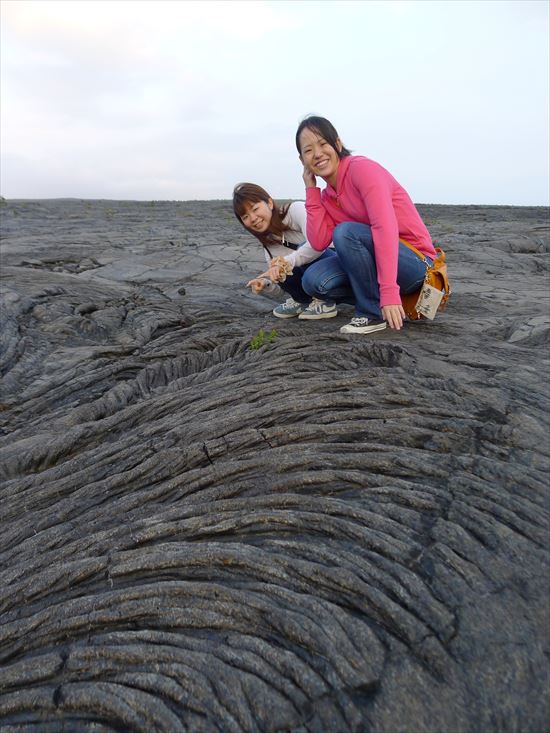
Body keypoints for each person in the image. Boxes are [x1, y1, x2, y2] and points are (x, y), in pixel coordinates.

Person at [296, 115, 438, 334]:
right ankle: (383, 302)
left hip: (416, 262)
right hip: (378, 264)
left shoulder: (362, 169)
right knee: (313, 281)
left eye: (323, 144)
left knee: (345, 233)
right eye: (308, 150)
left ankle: (371, 313)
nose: (317, 154)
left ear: (337, 144)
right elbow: (318, 241)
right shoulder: (327, 196)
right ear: (302, 160)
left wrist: (389, 291)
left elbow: (385, 228)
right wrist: (311, 190)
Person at [233, 182, 352, 319]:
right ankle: (303, 302)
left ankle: (325, 302)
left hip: (340, 265)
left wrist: (284, 263)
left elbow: (317, 245)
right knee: (279, 267)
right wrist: (265, 283)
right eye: (245, 217)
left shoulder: (295, 210)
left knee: (297, 254)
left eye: (255, 209)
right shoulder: (269, 246)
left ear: (270, 203)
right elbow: (282, 288)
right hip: (315, 277)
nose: (253, 219)